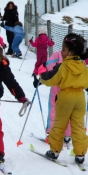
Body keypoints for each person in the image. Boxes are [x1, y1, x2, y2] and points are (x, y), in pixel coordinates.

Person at [38, 33, 88, 164]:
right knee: (78, 126)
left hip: (65, 97)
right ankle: (80, 154)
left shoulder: (63, 66)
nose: (61, 52)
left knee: (59, 124)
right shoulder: (83, 66)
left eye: (64, 49)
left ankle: (54, 151)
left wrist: (42, 77)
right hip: (80, 98)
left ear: (71, 52)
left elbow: (51, 78)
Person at [33, 50, 72, 146]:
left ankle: (52, 134)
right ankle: (67, 135)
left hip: (57, 87)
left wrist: (41, 79)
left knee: (54, 110)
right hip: (72, 90)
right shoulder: (78, 58)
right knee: (69, 111)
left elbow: (48, 68)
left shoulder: (58, 54)